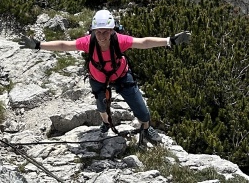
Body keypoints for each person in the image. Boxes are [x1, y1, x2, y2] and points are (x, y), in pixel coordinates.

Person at [20, 8, 190, 146]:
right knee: (102, 105)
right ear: (94, 31)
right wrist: (38, 45)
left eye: (106, 32)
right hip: (99, 78)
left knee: (142, 111)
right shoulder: (88, 42)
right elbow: (65, 45)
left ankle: (145, 128)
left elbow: (144, 42)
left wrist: (169, 41)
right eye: (98, 32)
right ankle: (106, 123)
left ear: (112, 31)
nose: (101, 36)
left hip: (121, 75)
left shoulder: (120, 40)